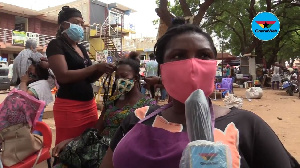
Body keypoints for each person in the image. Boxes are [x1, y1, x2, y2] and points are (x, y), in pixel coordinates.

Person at [100, 19, 299, 168]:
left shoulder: (247, 126)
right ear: (162, 68)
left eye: (204, 55)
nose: (193, 65)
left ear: (214, 66)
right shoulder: (136, 120)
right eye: (178, 56)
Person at [52, 54, 156, 167]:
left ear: (136, 78)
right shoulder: (112, 101)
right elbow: (97, 129)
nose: (120, 80)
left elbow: (149, 141)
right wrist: (71, 141)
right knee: (62, 159)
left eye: (124, 76)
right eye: (117, 77)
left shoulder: (148, 105)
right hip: (99, 149)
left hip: (123, 153)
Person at [46, 6, 114, 145]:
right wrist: (95, 66)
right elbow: (63, 76)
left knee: (88, 144)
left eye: (82, 24)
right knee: (68, 148)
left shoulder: (81, 47)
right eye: (76, 23)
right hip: (69, 107)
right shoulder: (56, 45)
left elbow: (89, 78)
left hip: (89, 105)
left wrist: (102, 69)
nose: (81, 26)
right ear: (64, 25)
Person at [19, 58, 53, 135]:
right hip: (26, 125)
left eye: (30, 70)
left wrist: (23, 82)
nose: (27, 73)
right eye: (27, 70)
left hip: (33, 128)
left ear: (39, 73)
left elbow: (23, 97)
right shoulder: (33, 84)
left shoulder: (41, 84)